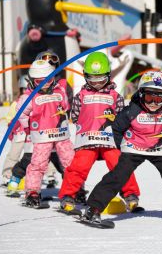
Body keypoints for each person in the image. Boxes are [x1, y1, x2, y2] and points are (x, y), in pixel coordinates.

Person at [81, 70, 162, 225]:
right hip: (133, 148)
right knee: (118, 176)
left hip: (159, 149)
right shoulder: (131, 111)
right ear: (141, 94)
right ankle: (93, 210)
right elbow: (117, 128)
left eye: (158, 98)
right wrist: (122, 146)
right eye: (149, 96)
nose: (152, 102)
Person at [58, 52, 141, 212]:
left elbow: (121, 117)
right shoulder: (80, 96)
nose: (96, 83)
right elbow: (74, 116)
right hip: (87, 140)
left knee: (120, 165)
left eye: (101, 79)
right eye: (92, 79)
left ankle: (130, 194)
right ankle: (68, 195)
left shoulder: (115, 96)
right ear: (85, 76)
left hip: (110, 141)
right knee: (78, 167)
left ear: (108, 76)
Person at [16, 59, 75, 207]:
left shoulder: (60, 91)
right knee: (38, 163)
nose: (45, 84)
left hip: (61, 134)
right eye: (40, 81)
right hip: (42, 136)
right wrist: (27, 128)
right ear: (32, 80)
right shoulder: (28, 97)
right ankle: (32, 192)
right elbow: (21, 114)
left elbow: (66, 106)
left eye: (49, 80)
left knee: (70, 161)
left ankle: (74, 190)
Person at [1, 75, 29, 186]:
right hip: (20, 133)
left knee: (38, 153)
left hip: (32, 134)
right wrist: (11, 130)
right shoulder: (16, 103)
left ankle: (48, 173)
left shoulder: (35, 101)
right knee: (14, 154)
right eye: (24, 89)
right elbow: (10, 119)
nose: (26, 92)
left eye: (28, 89)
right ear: (21, 89)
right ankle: (7, 174)